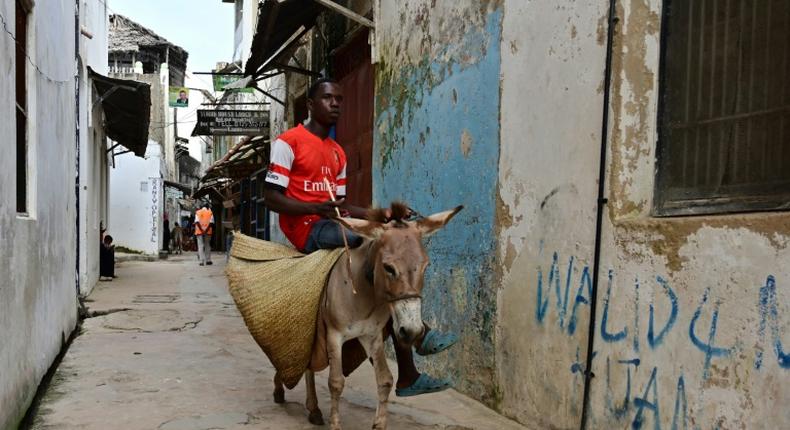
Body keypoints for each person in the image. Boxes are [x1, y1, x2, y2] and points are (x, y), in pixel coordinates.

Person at [264, 77, 457, 397]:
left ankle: (407, 372)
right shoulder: (289, 142)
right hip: (305, 228)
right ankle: (418, 342)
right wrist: (317, 207)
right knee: (376, 248)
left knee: (394, 248)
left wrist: (384, 215)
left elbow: (340, 208)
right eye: (328, 98)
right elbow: (271, 197)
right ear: (310, 105)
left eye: (339, 98)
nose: (336, 103)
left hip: (329, 222)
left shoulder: (337, 152)